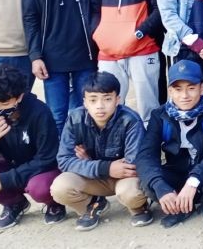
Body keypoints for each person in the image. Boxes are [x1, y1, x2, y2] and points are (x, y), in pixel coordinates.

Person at [22, 0, 100, 133]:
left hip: (85, 54)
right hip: (52, 56)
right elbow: (30, 18)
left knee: (83, 111)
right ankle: (58, 160)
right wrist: (35, 56)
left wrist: (96, 43)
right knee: (57, 114)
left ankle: (80, 158)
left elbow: (97, 10)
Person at [0, 64, 64, 228]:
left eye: (4, 104)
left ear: (19, 97)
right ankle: (15, 203)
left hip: (40, 171)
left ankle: (54, 203)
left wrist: (4, 180)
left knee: (40, 188)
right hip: (9, 165)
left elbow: (47, 159)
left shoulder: (39, 112)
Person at [50, 71, 153, 231]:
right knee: (60, 187)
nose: (100, 106)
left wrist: (87, 163)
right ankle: (93, 203)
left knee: (131, 193)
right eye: (93, 100)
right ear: (84, 102)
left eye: (107, 99)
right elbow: (64, 160)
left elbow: (132, 164)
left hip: (124, 178)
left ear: (117, 99)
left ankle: (139, 207)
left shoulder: (130, 120)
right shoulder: (75, 119)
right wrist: (104, 167)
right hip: (96, 176)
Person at [136, 60, 203, 228]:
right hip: (177, 171)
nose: (184, 96)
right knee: (147, 181)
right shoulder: (159, 115)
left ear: (202, 88)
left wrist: (194, 180)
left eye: (191, 88)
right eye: (178, 89)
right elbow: (146, 155)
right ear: (170, 91)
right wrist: (160, 186)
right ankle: (183, 208)